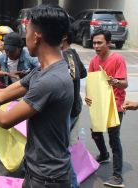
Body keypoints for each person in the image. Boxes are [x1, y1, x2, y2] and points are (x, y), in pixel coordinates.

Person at [0, 5, 73, 187]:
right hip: (37, 168)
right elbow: (2, 95)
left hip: (48, 176)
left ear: (36, 36)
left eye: (27, 30)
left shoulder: (51, 79)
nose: (25, 36)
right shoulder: (42, 70)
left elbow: (5, 119)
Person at [85, 29, 128, 187]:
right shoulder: (94, 61)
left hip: (115, 104)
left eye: (99, 43)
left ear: (108, 43)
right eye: (94, 43)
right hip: (98, 103)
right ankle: (103, 155)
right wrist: (88, 96)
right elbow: (91, 82)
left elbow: (125, 83)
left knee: (113, 138)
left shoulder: (118, 59)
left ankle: (117, 176)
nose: (96, 46)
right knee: (95, 132)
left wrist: (115, 82)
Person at [61, 27, 87, 188]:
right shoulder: (74, 53)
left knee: (62, 151)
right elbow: (83, 73)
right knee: (64, 148)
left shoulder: (66, 54)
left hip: (68, 110)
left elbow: (74, 76)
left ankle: (73, 184)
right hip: (75, 107)